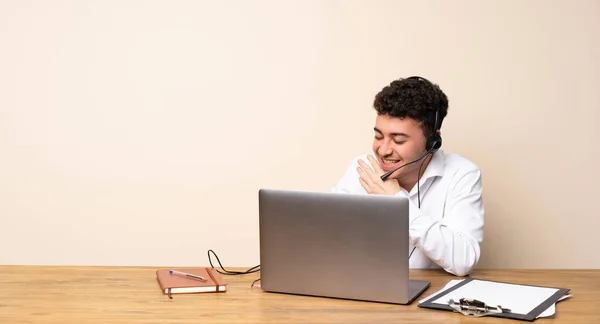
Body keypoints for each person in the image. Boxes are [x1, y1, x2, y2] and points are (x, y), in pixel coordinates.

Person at [331, 76, 484, 276]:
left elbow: (464, 261)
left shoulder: (462, 174)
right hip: (364, 289)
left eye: (399, 140)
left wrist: (398, 202)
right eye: (378, 136)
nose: (383, 150)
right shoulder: (363, 169)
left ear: (432, 141)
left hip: (429, 295)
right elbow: (328, 235)